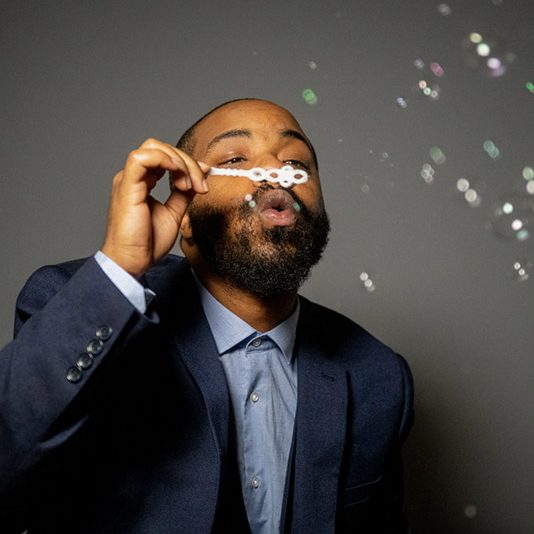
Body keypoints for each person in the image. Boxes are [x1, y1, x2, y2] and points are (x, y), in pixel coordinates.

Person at [0, 98, 414, 533]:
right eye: (236, 158)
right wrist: (122, 264)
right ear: (186, 219)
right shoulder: (80, 302)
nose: (275, 169)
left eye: (296, 161)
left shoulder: (378, 376)